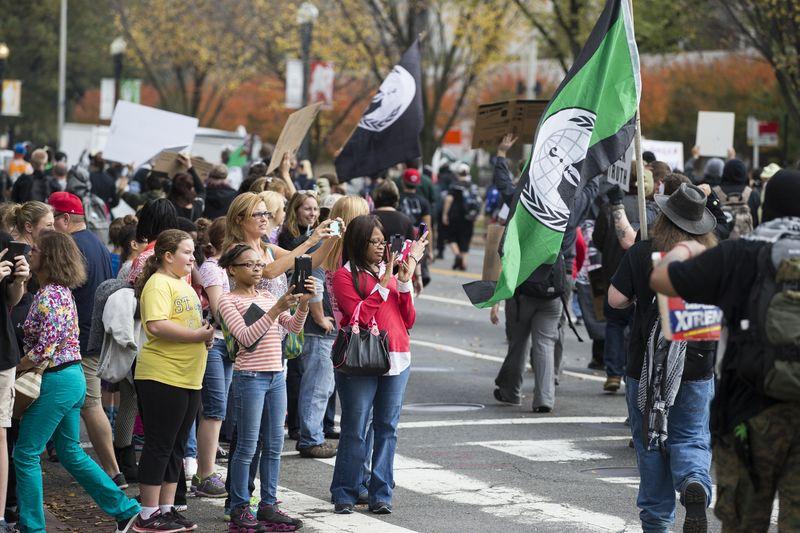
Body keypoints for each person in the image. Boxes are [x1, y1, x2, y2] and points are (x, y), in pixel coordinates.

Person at [650, 169, 800, 532]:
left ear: (766, 206)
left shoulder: (738, 255)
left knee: (744, 522)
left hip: (746, 415)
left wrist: (685, 246)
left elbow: (661, 280)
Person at [609, 184, 718, 533]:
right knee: (691, 436)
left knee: (651, 444)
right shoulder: (713, 258)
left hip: (647, 365)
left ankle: (657, 522)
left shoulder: (643, 253)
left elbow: (614, 300)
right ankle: (694, 482)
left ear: (664, 217)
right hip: (698, 364)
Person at [15, 231, 140, 533]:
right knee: (70, 452)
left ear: (49, 257)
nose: (30, 253)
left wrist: (17, 366)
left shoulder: (49, 295)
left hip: (56, 380)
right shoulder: (60, 292)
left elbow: (44, 348)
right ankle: (125, 509)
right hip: (71, 379)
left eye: (35, 249)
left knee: (25, 453)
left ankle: (33, 527)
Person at [329, 215, 427, 514]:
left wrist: (405, 281)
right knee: (355, 428)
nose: (380, 247)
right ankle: (345, 493)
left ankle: (381, 493)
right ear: (358, 243)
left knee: (387, 428)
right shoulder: (344, 275)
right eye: (373, 242)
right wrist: (384, 284)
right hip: (361, 360)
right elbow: (357, 315)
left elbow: (408, 319)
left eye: (382, 241)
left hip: (397, 357)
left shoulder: (390, 271)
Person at [218, 244, 312, 532]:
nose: (257, 270)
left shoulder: (268, 294)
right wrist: (276, 309)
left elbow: (293, 328)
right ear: (232, 269)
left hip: (275, 376)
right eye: (250, 265)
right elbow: (245, 338)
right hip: (250, 377)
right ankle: (239, 506)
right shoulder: (227, 300)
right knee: (247, 446)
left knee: (274, 446)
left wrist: (304, 303)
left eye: (259, 265)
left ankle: (269, 504)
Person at [132, 229, 214, 532]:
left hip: (189, 377)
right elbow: (156, 325)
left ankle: (166, 508)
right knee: (159, 445)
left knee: (176, 447)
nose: (192, 258)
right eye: (187, 252)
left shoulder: (184, 285)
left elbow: (187, 325)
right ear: (168, 256)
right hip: (162, 376)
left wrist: (203, 338)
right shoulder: (158, 283)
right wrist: (197, 335)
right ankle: (147, 513)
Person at [48, 192, 125, 486]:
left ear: (65, 219)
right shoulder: (97, 243)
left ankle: (112, 471)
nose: (49, 227)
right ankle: (68, 452)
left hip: (79, 338)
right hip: (94, 333)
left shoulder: (70, 245)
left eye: (52, 220)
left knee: (91, 404)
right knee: (79, 402)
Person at [193, 217, 231, 498]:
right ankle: (205, 472)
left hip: (227, 342)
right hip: (215, 341)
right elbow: (219, 309)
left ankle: (205, 469)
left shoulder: (224, 267)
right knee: (214, 408)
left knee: (218, 407)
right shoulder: (212, 268)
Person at [0, 232, 28, 533]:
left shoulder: (3, 241)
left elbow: (11, 300)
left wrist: (19, 281)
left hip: (3, 354)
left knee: (1, 434)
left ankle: (0, 518)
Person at [442, 163, 480, 271]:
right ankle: (464, 263)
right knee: (465, 240)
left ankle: (457, 255)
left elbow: (448, 199)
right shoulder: (473, 186)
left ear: (458, 173)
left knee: (452, 237)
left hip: (455, 216)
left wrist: (445, 214)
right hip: (469, 218)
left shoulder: (454, 185)